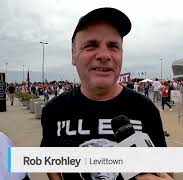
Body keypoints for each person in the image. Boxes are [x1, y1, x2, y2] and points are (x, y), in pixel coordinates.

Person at [40, 7, 173, 180]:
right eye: (91, 45)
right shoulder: (54, 110)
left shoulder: (146, 109)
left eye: (113, 46)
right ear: (73, 55)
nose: (104, 55)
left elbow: (164, 169)